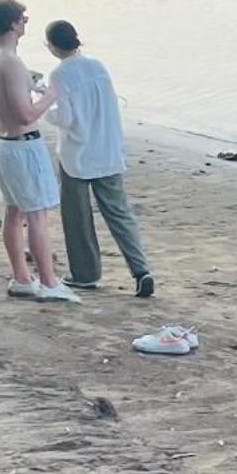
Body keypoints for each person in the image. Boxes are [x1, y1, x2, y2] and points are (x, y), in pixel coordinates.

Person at [0, 0, 79, 303]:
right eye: (23, 18)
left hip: (0, 141)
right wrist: (51, 94)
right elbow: (25, 115)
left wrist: (26, 85)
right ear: (13, 23)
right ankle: (48, 282)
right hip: (21, 145)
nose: (26, 23)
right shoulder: (10, 61)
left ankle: (22, 277)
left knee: (13, 211)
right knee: (36, 215)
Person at [44, 20, 154, 297]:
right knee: (119, 213)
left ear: (52, 46)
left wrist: (44, 107)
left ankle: (85, 273)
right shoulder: (98, 67)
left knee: (78, 217)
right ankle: (141, 270)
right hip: (107, 149)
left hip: (77, 154)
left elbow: (66, 118)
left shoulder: (59, 75)